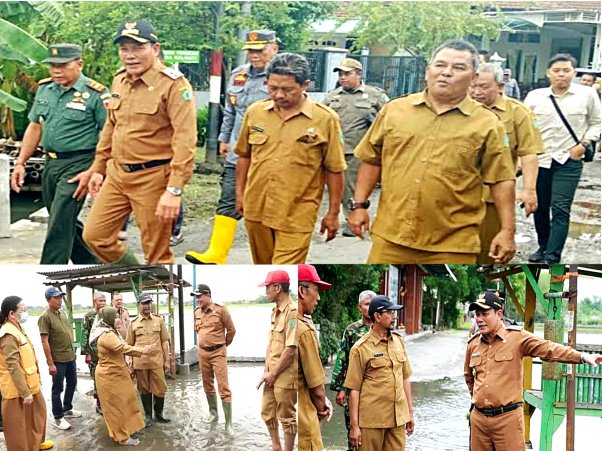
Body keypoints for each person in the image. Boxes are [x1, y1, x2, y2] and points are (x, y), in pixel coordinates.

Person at [349, 39, 516, 264]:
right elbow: (372, 159)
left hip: (453, 244)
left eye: (458, 68)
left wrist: (507, 231)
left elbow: (502, 180)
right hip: (391, 237)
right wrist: (359, 205)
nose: (446, 73)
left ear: (474, 77)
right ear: (428, 71)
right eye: (440, 65)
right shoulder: (395, 110)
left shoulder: (487, 124)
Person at [83, 19, 197, 264]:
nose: (130, 55)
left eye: (138, 48)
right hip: (117, 174)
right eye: (124, 49)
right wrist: (98, 168)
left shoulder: (174, 85)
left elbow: (185, 140)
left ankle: (159, 293)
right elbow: (111, 126)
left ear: (155, 49)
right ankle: (135, 273)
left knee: (156, 253)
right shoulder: (119, 80)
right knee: (95, 236)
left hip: (153, 177)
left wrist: (174, 190)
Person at [234, 52, 347, 264]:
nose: (278, 95)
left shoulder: (325, 119)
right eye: (272, 88)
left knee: (284, 272)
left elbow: (335, 169)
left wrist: (333, 213)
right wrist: (240, 195)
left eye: (287, 90)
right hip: (257, 208)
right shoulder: (255, 112)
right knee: (264, 269)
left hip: (297, 213)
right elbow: (244, 156)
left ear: (305, 85)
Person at [465, 290, 602, 451]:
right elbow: (469, 377)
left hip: (507, 420)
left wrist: (581, 356)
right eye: (477, 314)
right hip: (479, 420)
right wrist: (481, 399)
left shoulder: (517, 338)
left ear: (499, 314)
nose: (479, 319)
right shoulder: (473, 344)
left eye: (485, 314)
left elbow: (549, 349)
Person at [9, 44, 108, 264]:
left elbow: (109, 135)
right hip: (51, 164)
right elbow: (35, 126)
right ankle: (93, 264)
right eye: (53, 66)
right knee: (63, 220)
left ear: (79, 64)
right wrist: (21, 163)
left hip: (80, 165)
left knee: (59, 224)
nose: (56, 71)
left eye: (63, 65)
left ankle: (49, 270)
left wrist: (95, 170)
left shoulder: (96, 94)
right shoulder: (45, 89)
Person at [186, 30, 278, 264]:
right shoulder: (239, 75)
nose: (255, 55)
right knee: (228, 198)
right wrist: (224, 138)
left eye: (260, 50)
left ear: (274, 49)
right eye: (251, 51)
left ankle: (276, 255)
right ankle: (217, 254)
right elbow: (231, 110)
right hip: (238, 152)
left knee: (269, 206)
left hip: (269, 154)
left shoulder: (281, 77)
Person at [524, 53, 601, 263]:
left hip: (569, 161)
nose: (561, 75)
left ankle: (552, 256)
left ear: (574, 73)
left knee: (560, 207)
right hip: (540, 160)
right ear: (548, 73)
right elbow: (523, 127)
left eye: (566, 71)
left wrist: (584, 144)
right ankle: (543, 246)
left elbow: (597, 122)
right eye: (556, 71)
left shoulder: (587, 95)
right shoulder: (534, 96)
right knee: (540, 207)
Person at [470, 63, 544, 263]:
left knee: (489, 252)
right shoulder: (460, 110)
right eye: (473, 86)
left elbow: (529, 153)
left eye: (483, 87)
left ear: (500, 86)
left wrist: (529, 190)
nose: (476, 92)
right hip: (457, 195)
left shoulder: (518, 113)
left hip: (493, 198)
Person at [323, 58, 389, 237]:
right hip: (336, 150)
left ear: (358, 74)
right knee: (340, 188)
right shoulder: (333, 96)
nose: (342, 77)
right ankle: (346, 218)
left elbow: (388, 119)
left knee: (353, 187)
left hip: (360, 150)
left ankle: (352, 220)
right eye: (340, 74)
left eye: (347, 74)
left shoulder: (375, 95)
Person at [344, 295, 415, 451]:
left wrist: (409, 412)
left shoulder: (398, 341)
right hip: (371, 422)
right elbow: (354, 389)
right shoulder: (360, 348)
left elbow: (405, 378)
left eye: (394, 312)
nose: (394, 316)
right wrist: (354, 427)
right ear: (377, 316)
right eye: (389, 312)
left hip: (397, 420)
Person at [91, 306, 154, 446]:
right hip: (109, 376)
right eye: (115, 317)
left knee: (128, 402)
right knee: (116, 407)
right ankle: (122, 437)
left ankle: (129, 429)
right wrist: (142, 351)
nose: (118, 319)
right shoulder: (106, 335)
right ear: (108, 319)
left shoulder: (111, 331)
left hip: (118, 373)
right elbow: (123, 348)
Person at [0, 296, 54, 451]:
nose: (26, 312)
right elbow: (13, 366)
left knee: (37, 416)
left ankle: (35, 444)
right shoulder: (8, 334)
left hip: (30, 383)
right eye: (23, 310)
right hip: (16, 389)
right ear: (11, 313)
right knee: (17, 426)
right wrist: (25, 393)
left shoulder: (18, 328)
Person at [257, 270, 298, 451]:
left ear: (277, 287)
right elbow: (271, 344)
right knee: (267, 411)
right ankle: (276, 446)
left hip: (286, 374)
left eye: (268, 287)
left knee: (287, 417)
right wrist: (267, 371)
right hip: (272, 373)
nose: (266, 291)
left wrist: (274, 373)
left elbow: (290, 350)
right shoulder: (275, 312)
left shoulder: (293, 312)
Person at [330, 290, 376, 451]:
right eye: (366, 304)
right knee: (353, 428)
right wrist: (341, 388)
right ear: (359, 307)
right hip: (353, 387)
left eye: (373, 304)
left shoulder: (382, 328)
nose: (370, 308)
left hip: (375, 389)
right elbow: (343, 358)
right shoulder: (352, 330)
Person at [297, 264, 334, 450]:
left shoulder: (284, 320)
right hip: (304, 414)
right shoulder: (303, 330)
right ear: (302, 291)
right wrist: (322, 409)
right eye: (316, 291)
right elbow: (317, 389)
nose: (318, 297)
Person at [192, 283, 236, 435]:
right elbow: (199, 331)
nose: (197, 300)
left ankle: (228, 424)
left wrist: (223, 346)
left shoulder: (220, 309)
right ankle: (213, 413)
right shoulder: (196, 312)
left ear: (207, 295)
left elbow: (231, 330)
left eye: (199, 296)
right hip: (203, 354)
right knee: (207, 385)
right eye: (196, 297)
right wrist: (201, 345)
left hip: (218, 353)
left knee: (223, 387)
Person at [38, 287, 81, 430]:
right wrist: (50, 364)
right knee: (58, 388)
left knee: (72, 382)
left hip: (69, 356)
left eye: (60, 297)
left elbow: (67, 332)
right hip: (58, 360)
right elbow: (44, 341)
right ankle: (57, 417)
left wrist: (73, 352)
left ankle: (67, 408)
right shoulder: (45, 317)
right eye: (56, 298)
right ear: (48, 299)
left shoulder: (61, 313)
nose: (60, 300)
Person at [126, 294, 171, 427]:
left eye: (148, 303)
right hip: (140, 363)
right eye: (144, 303)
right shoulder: (133, 324)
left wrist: (167, 360)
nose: (147, 306)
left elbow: (164, 341)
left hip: (157, 361)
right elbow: (129, 345)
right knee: (144, 389)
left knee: (160, 389)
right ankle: (148, 416)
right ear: (138, 305)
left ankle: (159, 415)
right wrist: (130, 362)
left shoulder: (159, 320)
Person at [81, 292, 107, 414]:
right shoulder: (89, 316)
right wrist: (87, 353)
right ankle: (99, 403)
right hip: (94, 353)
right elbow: (84, 335)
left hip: (105, 352)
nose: (102, 303)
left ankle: (107, 401)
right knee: (96, 377)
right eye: (100, 301)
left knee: (106, 377)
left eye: (104, 301)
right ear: (94, 302)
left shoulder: (106, 314)